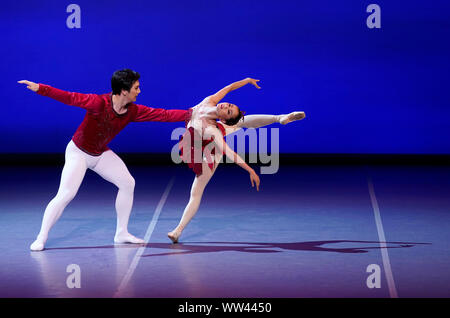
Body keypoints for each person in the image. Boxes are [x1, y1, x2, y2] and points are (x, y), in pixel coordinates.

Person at [18, 69, 189, 251]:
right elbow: (69, 97)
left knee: (127, 183)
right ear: (124, 90)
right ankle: (41, 237)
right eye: (136, 88)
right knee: (66, 194)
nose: (139, 91)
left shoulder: (133, 111)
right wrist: (40, 88)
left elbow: (163, 114)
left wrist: (191, 113)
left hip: (100, 154)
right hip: (78, 153)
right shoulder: (98, 103)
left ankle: (121, 233)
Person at [168, 77, 305, 243]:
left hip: (213, 150)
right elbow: (230, 87)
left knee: (196, 192)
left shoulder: (214, 130)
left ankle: (178, 230)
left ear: (224, 119)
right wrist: (247, 80)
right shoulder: (209, 102)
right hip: (195, 146)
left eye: (229, 110)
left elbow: (229, 153)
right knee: (239, 123)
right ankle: (279, 118)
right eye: (229, 105)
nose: (226, 106)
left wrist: (250, 169)